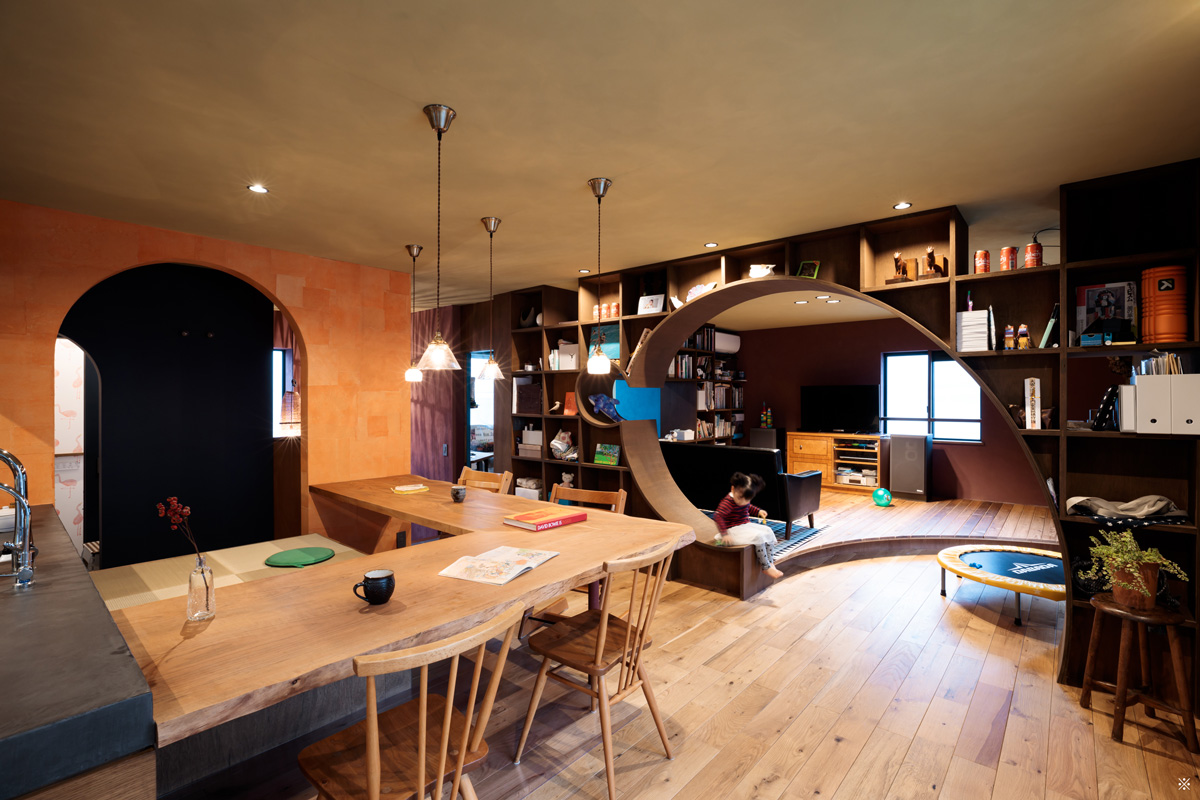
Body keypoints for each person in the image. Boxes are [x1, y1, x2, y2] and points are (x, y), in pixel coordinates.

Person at [714, 472, 783, 579]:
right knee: (759, 536)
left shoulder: (743, 499)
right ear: (732, 489)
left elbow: (748, 506)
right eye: (740, 498)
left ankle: (770, 562)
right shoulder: (728, 503)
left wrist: (758, 511)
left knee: (768, 531)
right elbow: (718, 516)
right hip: (733, 530)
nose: (743, 502)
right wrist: (724, 534)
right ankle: (765, 567)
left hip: (744, 525)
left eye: (747, 499)